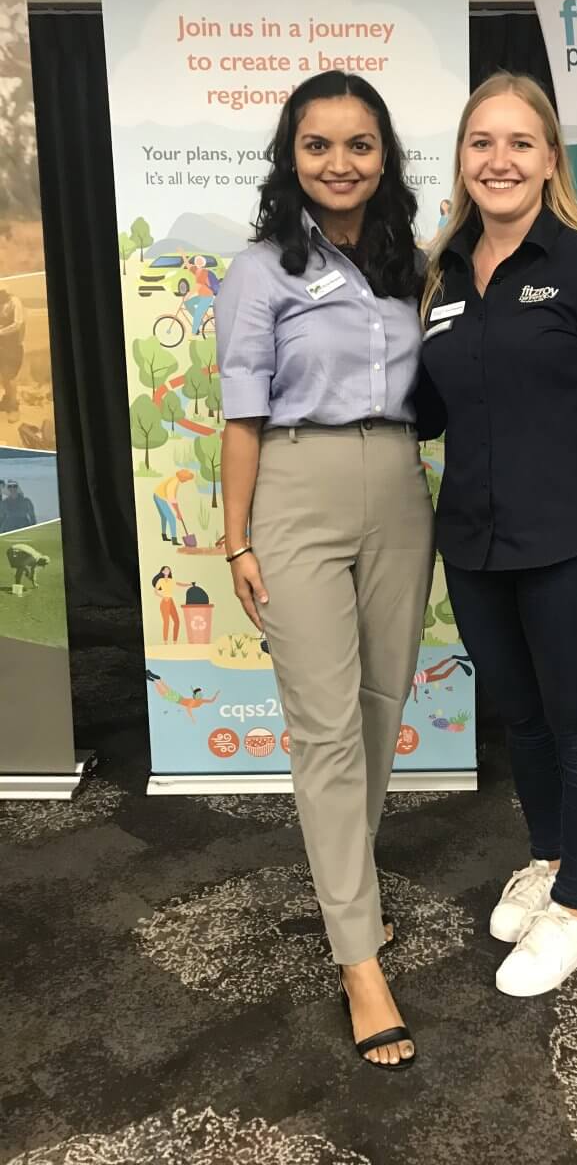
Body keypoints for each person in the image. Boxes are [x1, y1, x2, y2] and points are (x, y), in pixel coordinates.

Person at [419, 72, 577, 997]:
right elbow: (429, 409)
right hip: (475, 548)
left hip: (571, 550)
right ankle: (549, 858)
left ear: (550, 158)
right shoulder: (444, 272)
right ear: (462, 159)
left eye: (520, 142)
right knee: (521, 720)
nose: (500, 160)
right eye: (482, 142)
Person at [216, 70, 434, 1070]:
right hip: (295, 487)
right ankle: (359, 959)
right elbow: (242, 415)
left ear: (383, 158)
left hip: (398, 485)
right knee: (325, 724)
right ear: (290, 157)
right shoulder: (261, 270)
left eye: (359, 144)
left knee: (382, 705)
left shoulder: (412, 268)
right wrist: (237, 538)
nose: (339, 162)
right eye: (318, 145)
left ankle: (353, 892)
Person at [0, 289, 25, 416]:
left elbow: (17, 324)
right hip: (2, 345)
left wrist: (1, 331)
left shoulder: (15, 302)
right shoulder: (2, 302)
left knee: (10, 377)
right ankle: (7, 400)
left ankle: (14, 407)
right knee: (4, 376)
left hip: (13, 347)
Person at [152, 468, 194, 544]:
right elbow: (172, 498)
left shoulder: (175, 480)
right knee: (171, 518)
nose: (186, 481)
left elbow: (172, 498)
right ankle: (174, 540)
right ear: (182, 477)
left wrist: (178, 511)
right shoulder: (174, 482)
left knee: (164, 517)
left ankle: (164, 536)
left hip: (157, 495)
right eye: (186, 479)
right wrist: (178, 512)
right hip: (159, 497)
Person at [151, 565, 189, 644]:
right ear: (162, 572)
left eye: (168, 570)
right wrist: (163, 597)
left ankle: (175, 641)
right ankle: (165, 641)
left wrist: (190, 584)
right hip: (165, 602)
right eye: (166, 570)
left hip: (171, 601)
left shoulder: (172, 581)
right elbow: (155, 591)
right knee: (166, 622)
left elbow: (180, 584)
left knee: (177, 621)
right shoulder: (160, 580)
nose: (167, 571)